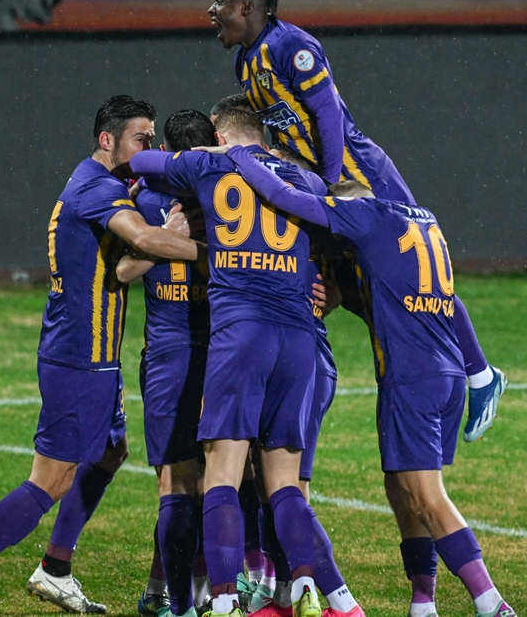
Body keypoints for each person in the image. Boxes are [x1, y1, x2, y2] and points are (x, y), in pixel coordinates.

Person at [0, 95, 205, 617]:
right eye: (141, 138)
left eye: (153, 139)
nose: (150, 148)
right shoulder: (98, 189)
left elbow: (122, 265)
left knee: (111, 452)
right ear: (107, 140)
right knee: (51, 479)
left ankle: (55, 568)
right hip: (80, 357)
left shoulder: (98, 181)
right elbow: (143, 240)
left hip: (94, 354)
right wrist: (214, 251)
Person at [206, 0, 507, 445]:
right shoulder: (246, 62)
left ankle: (480, 374)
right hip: (320, 183)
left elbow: (327, 113)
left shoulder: (291, 46)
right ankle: (420, 366)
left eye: (220, 1)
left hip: (358, 174)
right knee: (356, 290)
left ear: (246, 7)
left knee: (415, 272)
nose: (211, 10)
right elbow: (287, 131)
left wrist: (329, 184)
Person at [223, 147, 518, 617]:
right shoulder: (413, 224)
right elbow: (444, 300)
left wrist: (241, 157)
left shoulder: (362, 216)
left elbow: (285, 196)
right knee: (401, 490)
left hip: (411, 380)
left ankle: (491, 603)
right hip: (445, 376)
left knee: (426, 496)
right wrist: (336, 290)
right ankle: (423, 602)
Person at [130, 109, 363, 617]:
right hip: (298, 340)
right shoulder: (301, 180)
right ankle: (304, 588)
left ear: (220, 136)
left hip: (242, 335)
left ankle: (224, 600)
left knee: (222, 473)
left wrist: (211, 154)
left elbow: (143, 163)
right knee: (284, 483)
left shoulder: (210, 167)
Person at [116, 110, 216, 617]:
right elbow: (124, 269)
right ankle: (183, 598)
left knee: (188, 482)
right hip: (189, 357)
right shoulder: (220, 202)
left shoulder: (147, 198)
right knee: (191, 482)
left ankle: (175, 593)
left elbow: (123, 269)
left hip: (190, 358)